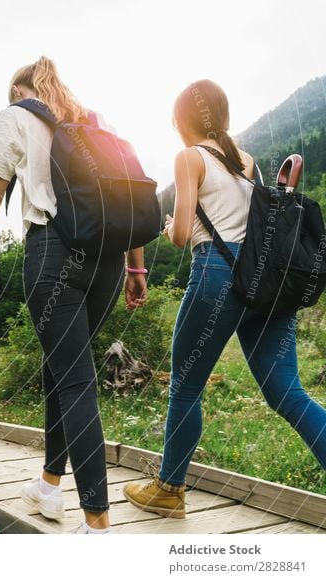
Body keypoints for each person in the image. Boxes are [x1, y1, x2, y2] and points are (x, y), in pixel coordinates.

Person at [123, 79, 326, 519]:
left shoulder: (188, 157)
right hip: (265, 282)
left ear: (180, 120)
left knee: (186, 386)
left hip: (217, 274)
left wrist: (173, 222)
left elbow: (179, 237)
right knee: (289, 394)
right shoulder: (246, 161)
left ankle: (170, 489)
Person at [0, 56, 148, 534]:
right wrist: (135, 264)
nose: (12, 101)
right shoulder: (97, 123)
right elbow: (127, 194)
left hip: (52, 251)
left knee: (74, 380)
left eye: (13, 93)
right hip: (108, 258)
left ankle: (97, 522)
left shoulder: (16, 115)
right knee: (63, 367)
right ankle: (49, 483)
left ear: (24, 89)